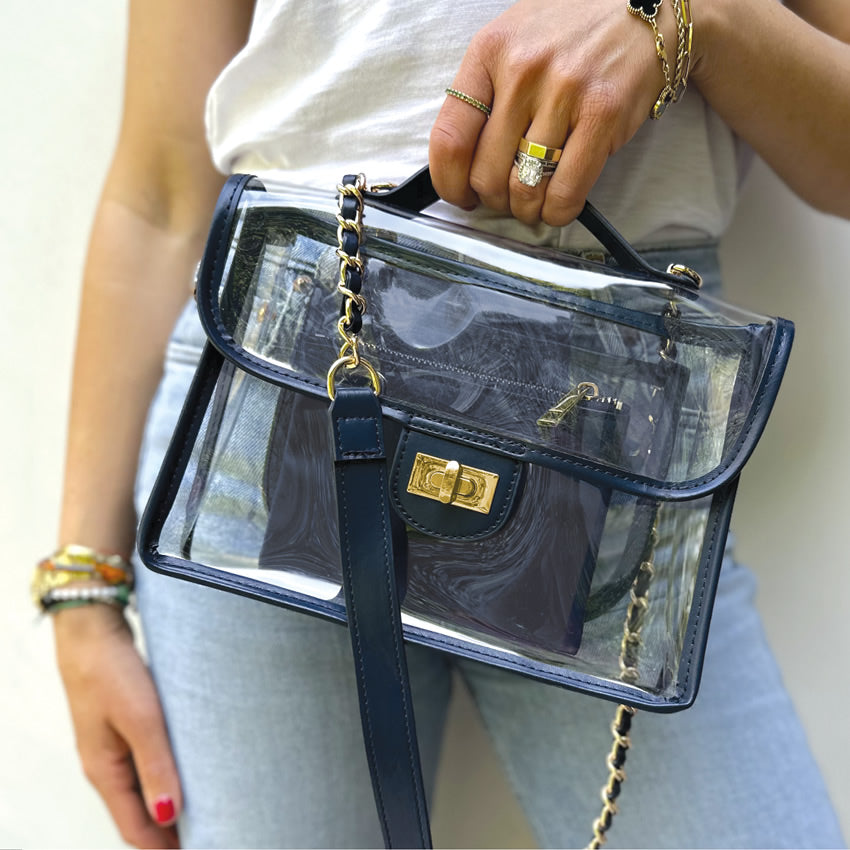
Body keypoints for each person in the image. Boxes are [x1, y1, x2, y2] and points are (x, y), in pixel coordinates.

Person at [44, 0, 850, 846]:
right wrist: (83, 591)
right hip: (282, 370)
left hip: (625, 406)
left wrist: (694, 21)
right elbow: (163, 194)